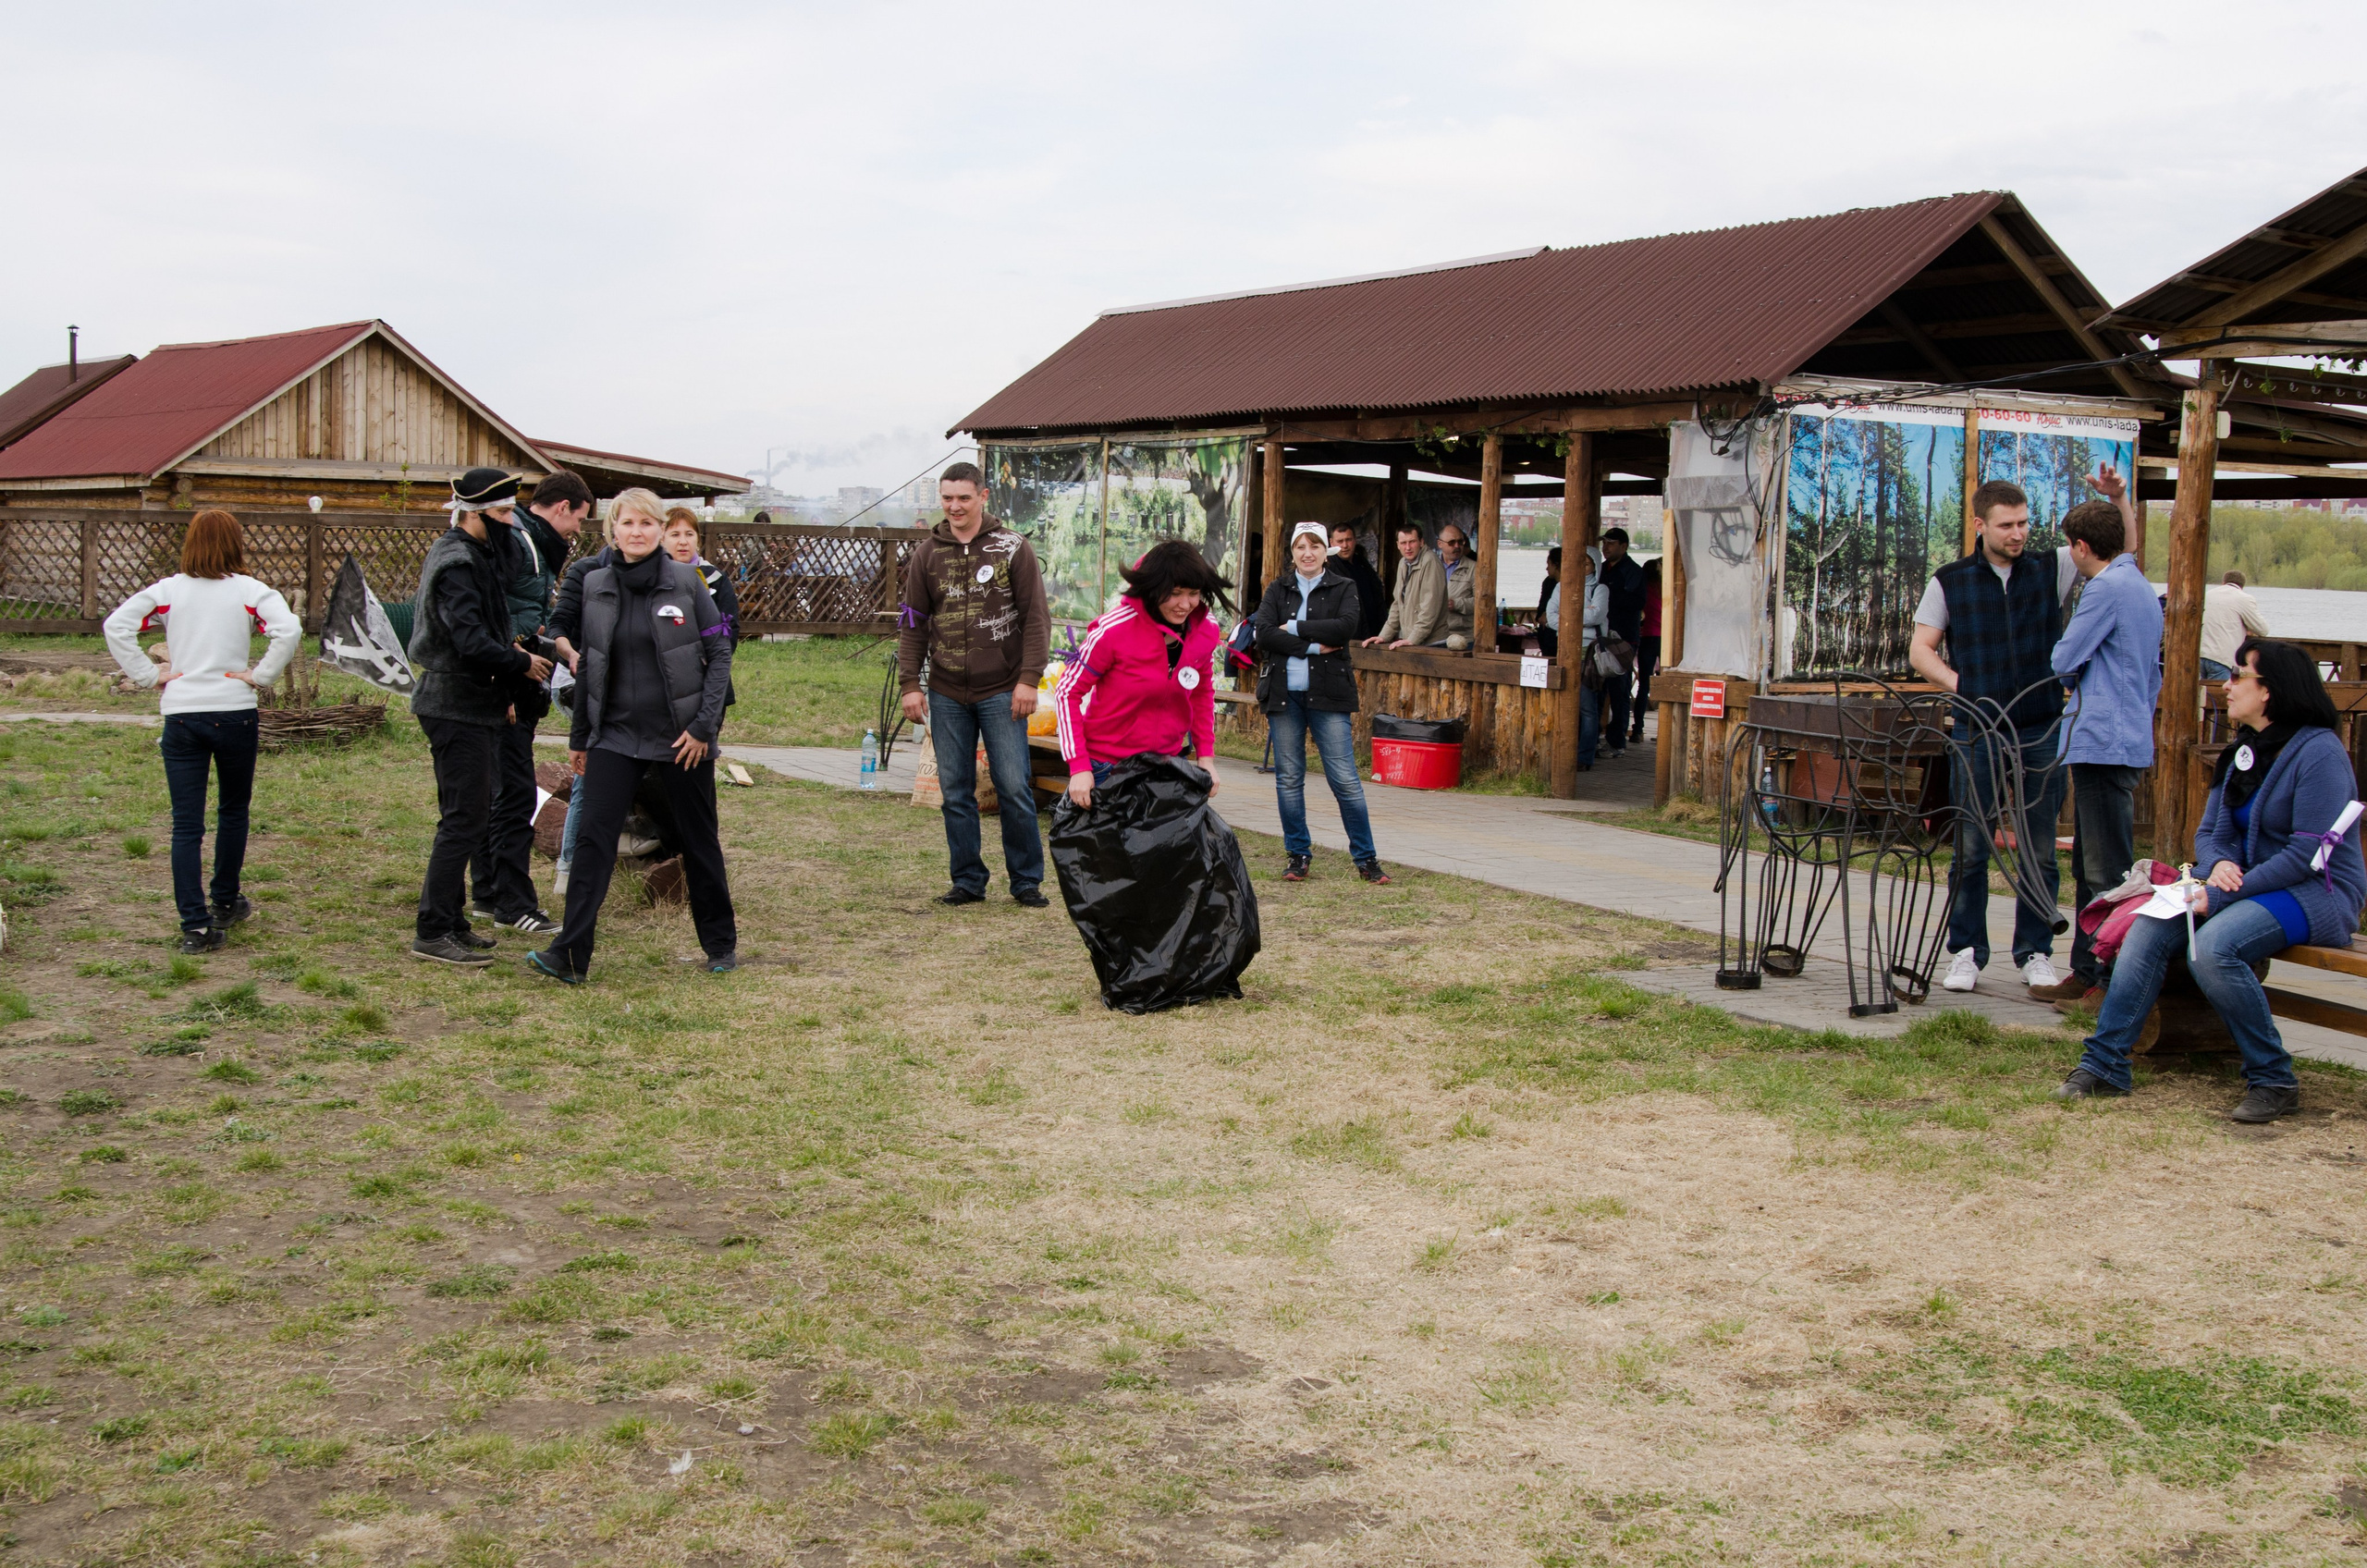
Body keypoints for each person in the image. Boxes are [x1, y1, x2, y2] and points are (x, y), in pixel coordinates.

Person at [2057, 639, 2364, 1121]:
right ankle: (2105, 1065)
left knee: (2213, 948)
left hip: (2314, 893)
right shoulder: (2243, 750)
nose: (2227, 684)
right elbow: (2211, 834)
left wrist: (2218, 892)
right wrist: (2217, 864)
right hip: (2243, 885)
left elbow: (2307, 856)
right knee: (2147, 927)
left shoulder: (2320, 754)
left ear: (2270, 690)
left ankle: (2273, 1078)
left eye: (2239, 675)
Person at [529, 487, 736, 983]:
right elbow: (589, 666)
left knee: (698, 840)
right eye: (627, 523)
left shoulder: (687, 583)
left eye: (647, 523)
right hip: (615, 736)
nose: (637, 532)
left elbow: (719, 654)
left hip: (681, 739)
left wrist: (703, 727)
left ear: (660, 530)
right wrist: (580, 737)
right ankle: (569, 955)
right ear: (613, 531)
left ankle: (720, 945)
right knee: (593, 841)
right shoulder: (596, 585)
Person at [1908, 478, 2085, 996]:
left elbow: (2121, 549)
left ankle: (2035, 952)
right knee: (1971, 846)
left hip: (2040, 726)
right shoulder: (1950, 580)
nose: (2018, 533)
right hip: (1976, 729)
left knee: (2040, 849)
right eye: (2007, 525)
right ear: (1980, 525)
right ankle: (1966, 952)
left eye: (2024, 523)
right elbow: (1920, 650)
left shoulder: (2053, 567)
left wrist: (2119, 499)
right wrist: (1964, 686)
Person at [101, 509, 301, 954]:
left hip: (182, 715)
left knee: (186, 823)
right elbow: (288, 630)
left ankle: (195, 925)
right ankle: (225, 901)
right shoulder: (251, 591)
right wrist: (261, 676)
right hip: (234, 712)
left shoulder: (167, 591)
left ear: (190, 542)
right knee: (233, 810)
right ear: (236, 543)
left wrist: (147, 674)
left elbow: (116, 625)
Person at [408, 470, 554, 966]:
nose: (511, 521)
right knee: (463, 821)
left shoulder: (474, 554)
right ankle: (432, 930)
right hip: (454, 704)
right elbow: (469, 641)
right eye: (503, 512)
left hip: (473, 701)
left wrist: (504, 690)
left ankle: (452, 922)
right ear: (474, 513)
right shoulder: (457, 563)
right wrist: (520, 663)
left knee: (466, 819)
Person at [896, 461, 1053, 907]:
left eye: (964, 497)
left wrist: (1029, 679)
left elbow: (1036, 618)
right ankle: (967, 879)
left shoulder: (1013, 548)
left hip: (1003, 688)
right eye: (947, 498)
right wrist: (910, 684)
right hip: (946, 691)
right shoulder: (927, 555)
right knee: (955, 791)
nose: (955, 506)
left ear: (983, 496)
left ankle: (1026, 880)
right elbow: (913, 624)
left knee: (1013, 786)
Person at [2042, 491, 2163, 1004]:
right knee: (2091, 861)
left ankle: (2112, 981)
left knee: (2107, 869)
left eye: (2071, 546)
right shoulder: (2137, 582)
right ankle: (2087, 968)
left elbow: (2064, 658)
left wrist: (2073, 672)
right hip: (2124, 734)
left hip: (2102, 739)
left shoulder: (2105, 588)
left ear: (2082, 546)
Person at [468, 468, 591, 938]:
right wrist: (508, 673)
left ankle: (486, 891)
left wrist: (549, 642)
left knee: (495, 790)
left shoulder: (525, 539)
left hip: (506, 677)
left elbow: (521, 614)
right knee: (515, 796)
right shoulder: (521, 542)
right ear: (562, 507)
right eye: (577, 519)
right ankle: (512, 902)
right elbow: (491, 613)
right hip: (505, 683)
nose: (576, 530)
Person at [1254, 522, 1389, 885]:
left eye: (1314, 546)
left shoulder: (1344, 586)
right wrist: (1313, 645)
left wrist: (1293, 627)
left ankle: (1366, 858)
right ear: (1292, 552)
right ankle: (1297, 855)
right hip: (1284, 694)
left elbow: (1345, 628)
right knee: (1289, 778)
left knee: (1344, 778)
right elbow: (1263, 633)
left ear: (1326, 551)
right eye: (1300, 547)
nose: (1307, 553)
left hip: (1329, 694)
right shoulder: (1277, 588)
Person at [1056, 539, 1228, 812]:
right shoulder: (1112, 631)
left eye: (1193, 593)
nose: (1185, 604)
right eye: (1174, 593)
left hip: (1166, 767)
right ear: (1152, 588)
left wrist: (1206, 757)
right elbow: (1067, 692)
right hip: (1107, 769)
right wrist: (1079, 766)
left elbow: (1202, 693)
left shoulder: (1206, 629)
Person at [663, 507, 741, 717]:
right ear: (662, 538)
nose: (683, 542)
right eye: (675, 534)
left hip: (708, 681)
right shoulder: (653, 579)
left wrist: (709, 665)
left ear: (698, 538)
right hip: (663, 684)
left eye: (689, 534)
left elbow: (730, 630)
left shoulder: (714, 578)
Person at [1544, 546, 1611, 770]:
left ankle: (1584, 756)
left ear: (1595, 566)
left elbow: (1596, 615)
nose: (1582, 568)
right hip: (1565, 648)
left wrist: (1567, 616)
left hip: (1588, 651)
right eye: (1579, 562)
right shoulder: (1561, 586)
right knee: (1564, 702)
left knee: (1587, 706)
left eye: (1587, 564)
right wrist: (1579, 617)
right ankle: (1564, 752)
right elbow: (1550, 617)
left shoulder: (1600, 589)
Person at [1595, 528, 1648, 759]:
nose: (1606, 547)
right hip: (1601, 636)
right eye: (1604, 543)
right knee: (1596, 687)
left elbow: (1637, 601)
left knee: (1619, 689)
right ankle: (1593, 738)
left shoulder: (1633, 571)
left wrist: (1607, 597)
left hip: (1623, 638)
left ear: (1623, 546)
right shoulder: (1601, 569)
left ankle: (1617, 742)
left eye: (1611, 543)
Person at [1365, 521, 1445, 650]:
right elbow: (1398, 604)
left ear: (1421, 542)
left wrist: (1413, 639)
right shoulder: (1403, 562)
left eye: (1412, 542)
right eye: (1403, 543)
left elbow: (1430, 608)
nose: (1408, 547)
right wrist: (1384, 636)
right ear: (1398, 545)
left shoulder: (1430, 562)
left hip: (1432, 642)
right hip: (1412, 640)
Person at [2200, 570, 2269, 682]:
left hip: (2200, 655)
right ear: (2242, 586)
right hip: (2222, 658)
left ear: (2223, 582)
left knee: (2198, 693)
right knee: (2221, 693)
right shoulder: (2244, 599)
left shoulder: (2207, 595)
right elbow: (2263, 630)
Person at [1329, 521, 1388, 641]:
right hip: (1349, 636)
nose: (1345, 545)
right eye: (1340, 541)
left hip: (1374, 632)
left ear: (1355, 540)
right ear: (1331, 543)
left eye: (1348, 540)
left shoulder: (1362, 563)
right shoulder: (1328, 568)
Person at [1630, 570, 1662, 745]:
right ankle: (1665, 731)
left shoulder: (1643, 590)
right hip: (1665, 640)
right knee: (1666, 686)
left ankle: (1638, 729)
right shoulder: (1665, 589)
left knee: (1643, 686)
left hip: (1647, 638)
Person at [1434, 522, 1476, 646]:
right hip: (1434, 635)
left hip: (1464, 638)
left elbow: (1484, 603)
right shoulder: (1430, 566)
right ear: (1440, 544)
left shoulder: (1474, 568)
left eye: (1460, 542)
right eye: (1451, 542)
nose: (1457, 546)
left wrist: (1457, 604)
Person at [1533, 547, 1564, 658]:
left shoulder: (1570, 585)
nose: (1547, 568)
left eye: (1549, 564)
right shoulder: (1548, 582)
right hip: (1545, 636)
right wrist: (1542, 615)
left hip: (1559, 635)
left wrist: (1550, 615)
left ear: (1556, 565)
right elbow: (1541, 607)